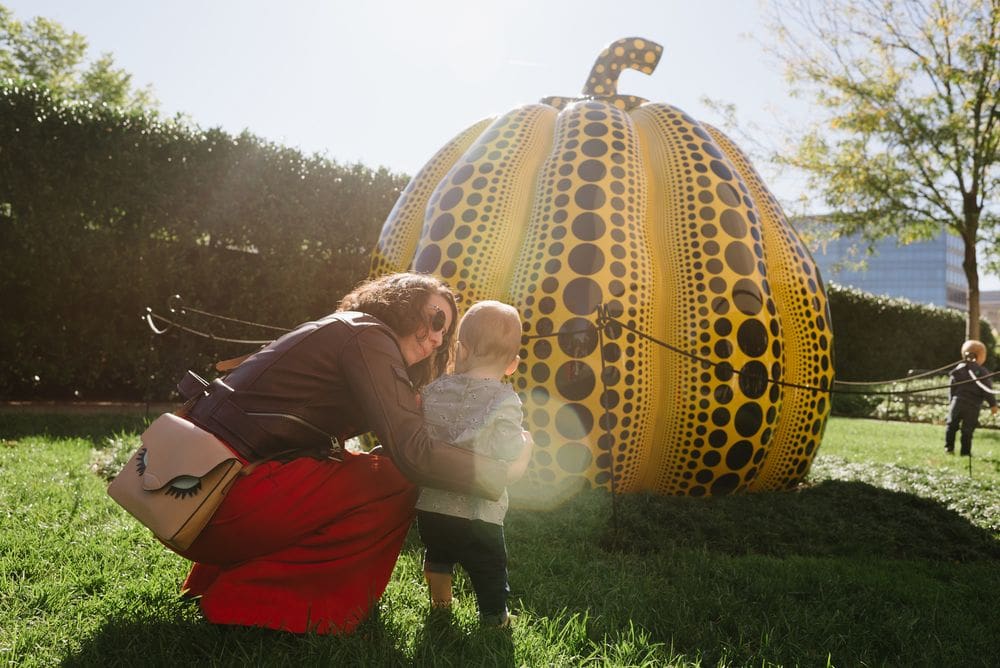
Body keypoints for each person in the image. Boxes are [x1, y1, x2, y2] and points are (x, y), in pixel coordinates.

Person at [172, 273, 533, 634]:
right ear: (401, 304)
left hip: (198, 497)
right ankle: (264, 601)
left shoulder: (351, 332)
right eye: (436, 319)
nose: (438, 339)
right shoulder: (368, 337)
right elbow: (414, 455)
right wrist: (502, 472)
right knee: (395, 477)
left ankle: (233, 580)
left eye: (445, 333)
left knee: (375, 465)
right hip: (223, 501)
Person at [415, 300, 527, 627]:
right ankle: (494, 617)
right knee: (489, 566)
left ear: (460, 351)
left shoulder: (433, 390)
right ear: (512, 364)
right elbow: (506, 447)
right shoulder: (505, 400)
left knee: (439, 554)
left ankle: (440, 602)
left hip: (432, 505)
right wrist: (524, 444)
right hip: (479, 511)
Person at [945, 339, 998, 456]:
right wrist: (993, 405)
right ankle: (965, 452)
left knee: (951, 425)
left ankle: (949, 448)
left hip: (957, 402)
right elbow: (987, 390)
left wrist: (951, 400)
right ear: (979, 356)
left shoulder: (957, 369)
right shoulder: (982, 372)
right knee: (967, 430)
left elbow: (951, 387)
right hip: (973, 406)